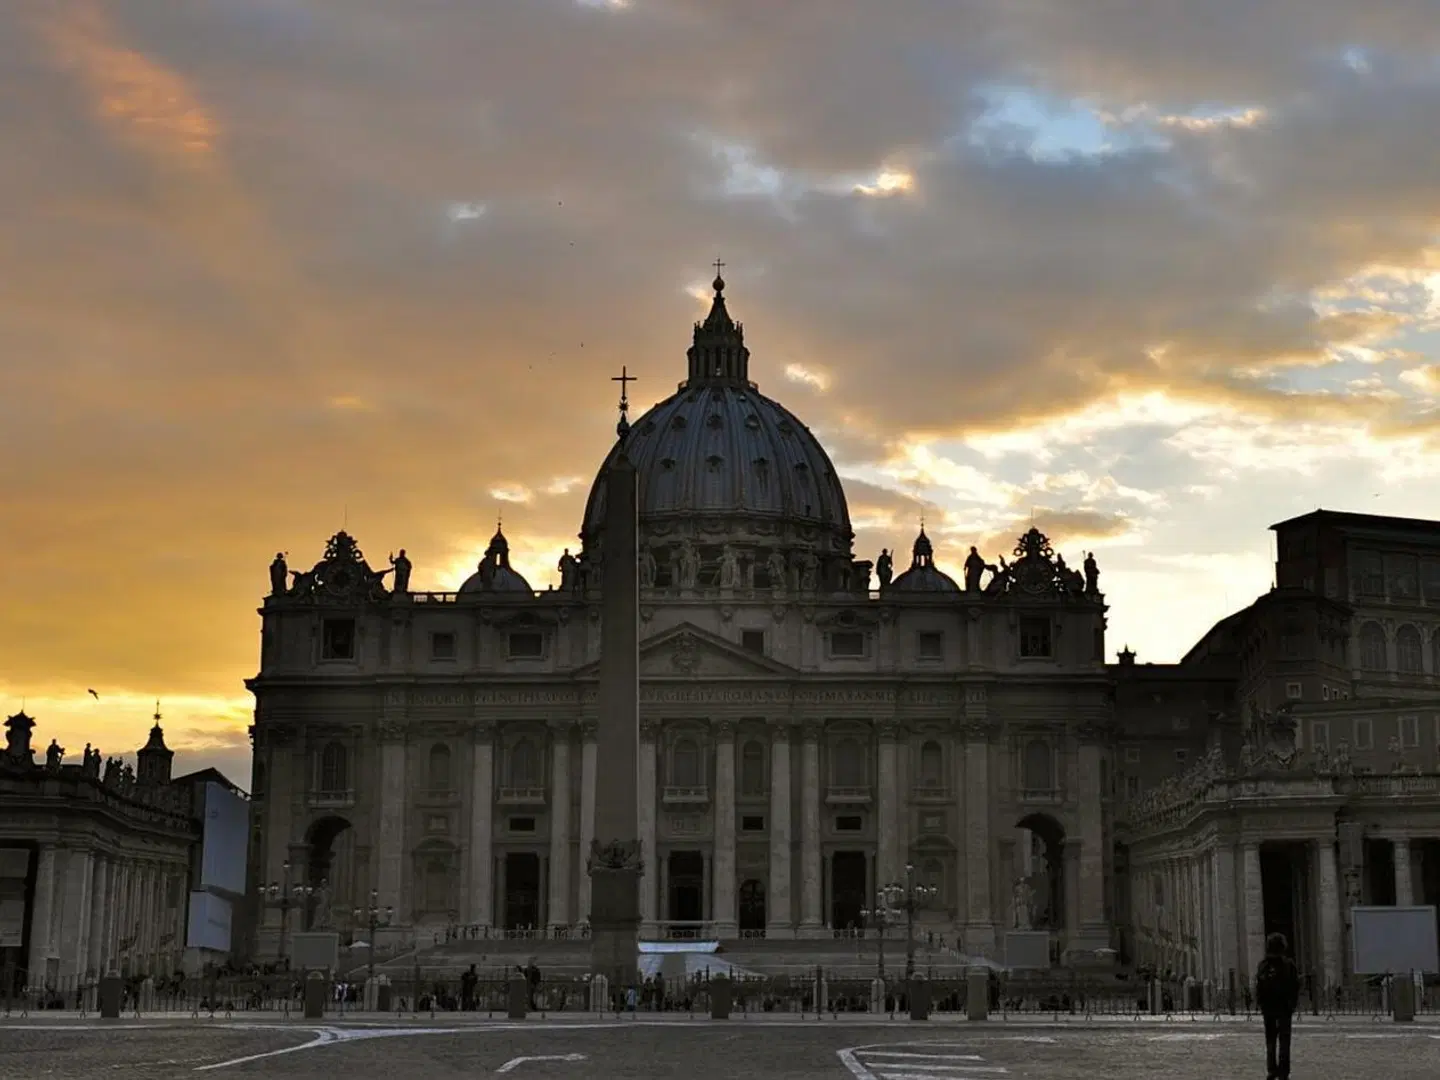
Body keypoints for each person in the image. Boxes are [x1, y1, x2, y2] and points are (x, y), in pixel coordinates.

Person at [1255, 931, 1300, 1079]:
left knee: (1270, 1040)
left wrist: (1261, 1003)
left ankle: (1271, 1069)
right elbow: (1295, 986)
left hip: (1268, 1008)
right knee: (1284, 1041)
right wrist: (1292, 1004)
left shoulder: (1263, 965)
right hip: (1284, 1008)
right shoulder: (1289, 965)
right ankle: (1283, 1071)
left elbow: (1258, 987)